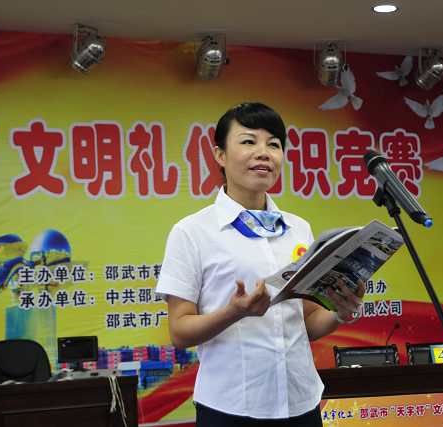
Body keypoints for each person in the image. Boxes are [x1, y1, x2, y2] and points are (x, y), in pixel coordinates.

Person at [156, 102, 365, 427]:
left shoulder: (298, 228)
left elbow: (307, 323)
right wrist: (234, 312)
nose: (264, 153)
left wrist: (339, 312)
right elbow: (180, 331)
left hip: (301, 402)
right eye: (248, 141)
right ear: (220, 155)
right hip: (231, 408)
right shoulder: (192, 232)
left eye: (274, 144)